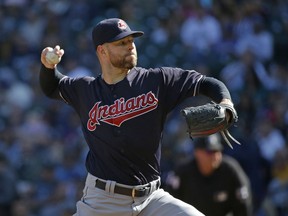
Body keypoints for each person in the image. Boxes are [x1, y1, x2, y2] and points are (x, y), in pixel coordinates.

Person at [39, 18, 237, 216]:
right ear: (102, 51)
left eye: (131, 41)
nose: (130, 46)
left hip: (152, 199)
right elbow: (52, 87)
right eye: (121, 43)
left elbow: (206, 83)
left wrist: (225, 102)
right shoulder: (85, 90)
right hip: (102, 202)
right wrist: (48, 66)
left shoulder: (157, 81)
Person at [165, 134, 253, 216]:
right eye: (209, 152)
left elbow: (243, 207)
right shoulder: (182, 172)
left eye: (217, 151)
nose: (215, 156)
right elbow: (168, 204)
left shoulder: (231, 171)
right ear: (197, 153)